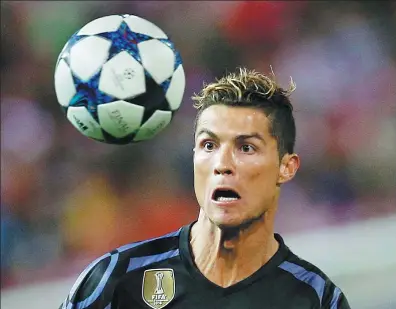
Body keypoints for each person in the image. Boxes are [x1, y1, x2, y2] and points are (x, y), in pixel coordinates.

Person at [58, 68, 351, 309]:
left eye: (246, 147)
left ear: (286, 167)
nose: (222, 164)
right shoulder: (116, 280)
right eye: (209, 145)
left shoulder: (317, 299)